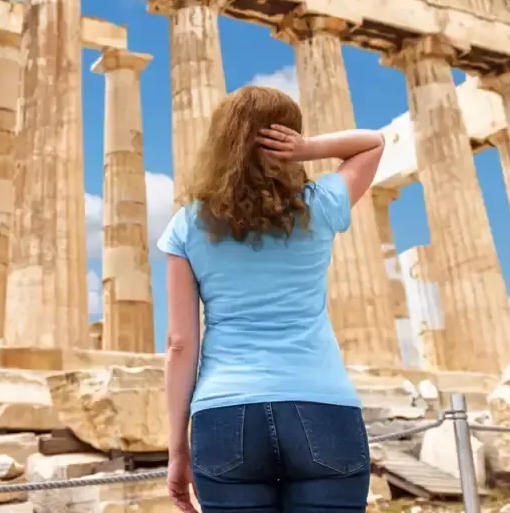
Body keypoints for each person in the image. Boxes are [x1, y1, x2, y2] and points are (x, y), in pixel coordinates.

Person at [157, 85, 387, 513]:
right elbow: (372, 143)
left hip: (225, 413)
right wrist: (309, 149)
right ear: (288, 139)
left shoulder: (187, 225)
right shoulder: (319, 206)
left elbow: (180, 344)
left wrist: (176, 450)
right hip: (323, 407)